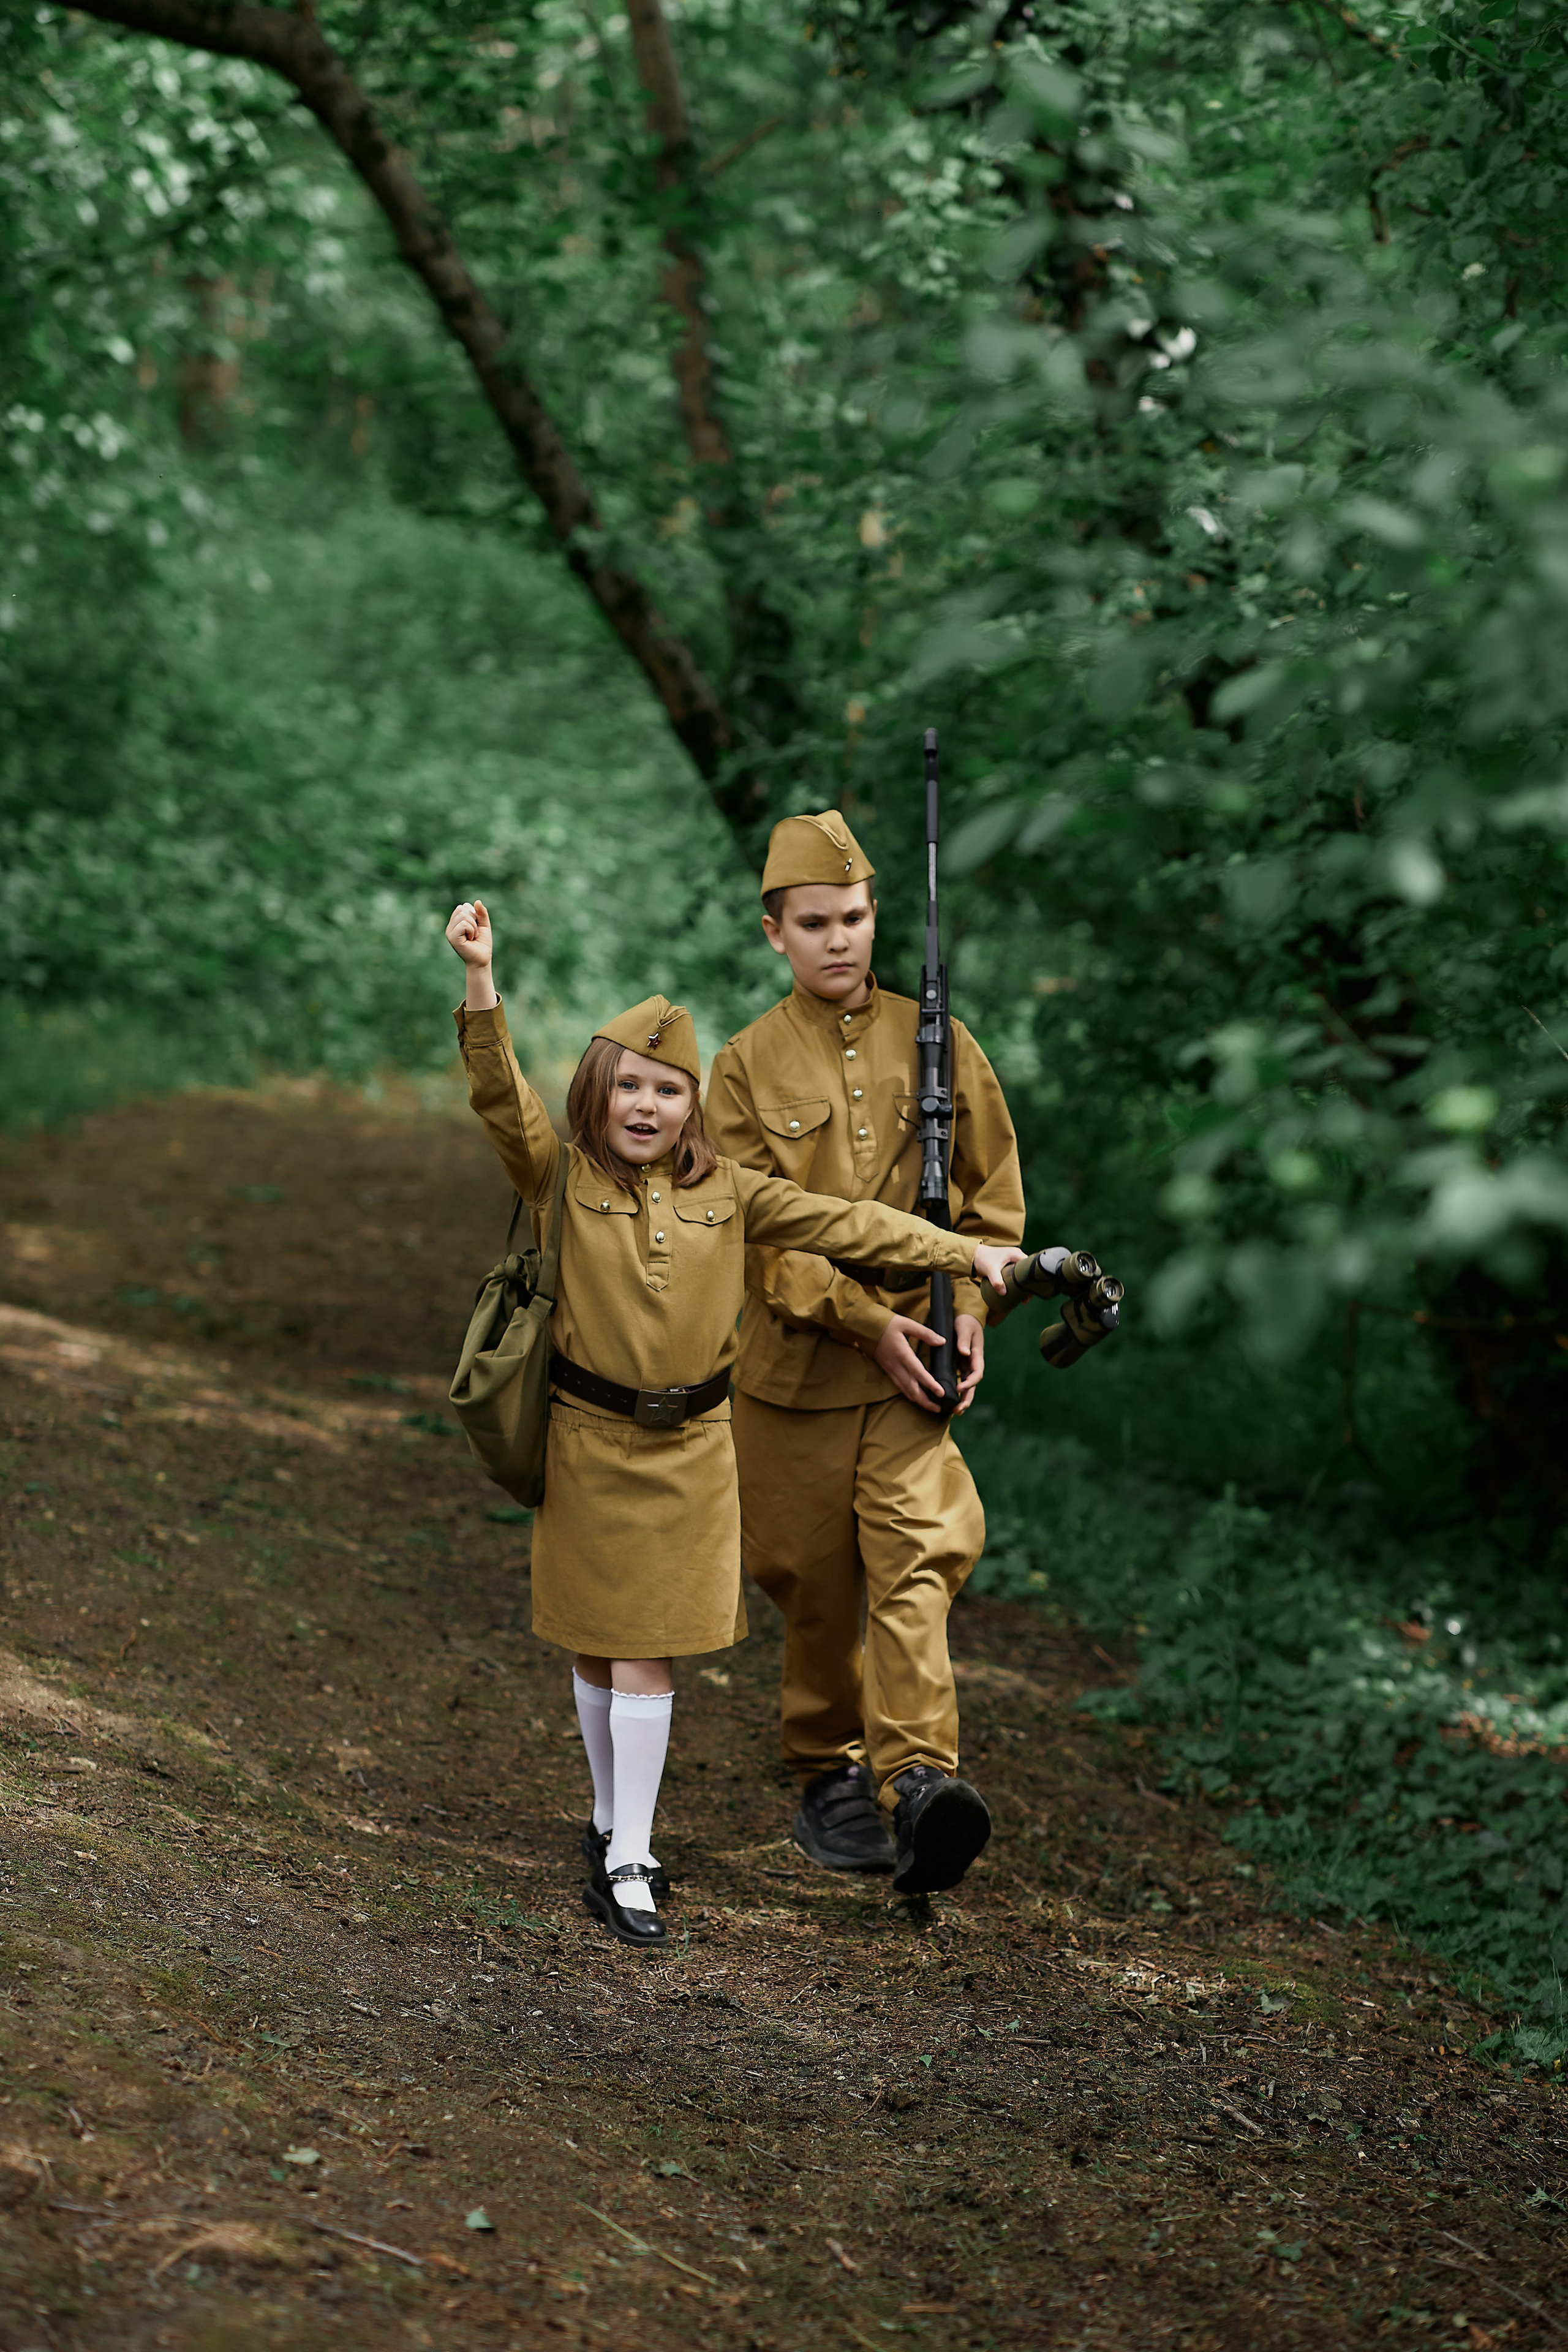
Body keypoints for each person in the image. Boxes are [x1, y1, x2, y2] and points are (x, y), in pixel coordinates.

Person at [445, 897, 1022, 1950]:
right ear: (596, 1093)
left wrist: (970, 1257)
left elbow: (851, 1224)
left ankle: (631, 1854)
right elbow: (498, 1095)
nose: (648, 1106)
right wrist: (481, 981)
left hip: (693, 1452)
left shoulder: (729, 1193)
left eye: (669, 1090)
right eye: (629, 1085)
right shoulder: (560, 1177)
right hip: (587, 1440)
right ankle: (610, 1823)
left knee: (647, 1655)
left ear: (691, 1106)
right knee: (598, 1648)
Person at [704, 810, 1025, 1898]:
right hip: (797, 1374)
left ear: (877, 916)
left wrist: (969, 1309)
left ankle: (920, 1781)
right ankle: (826, 1768)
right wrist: (865, 1323)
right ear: (774, 933)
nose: (837, 939)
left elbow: (992, 1202)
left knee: (917, 1560)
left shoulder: (942, 1042)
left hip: (918, 1359)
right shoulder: (742, 1068)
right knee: (812, 1582)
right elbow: (755, 1235)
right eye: (813, 923)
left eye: (852, 917)